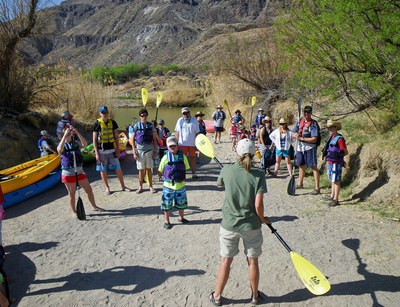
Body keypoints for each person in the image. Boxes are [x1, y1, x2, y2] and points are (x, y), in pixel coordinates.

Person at [209, 139, 270, 306]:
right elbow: (258, 205)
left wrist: (227, 175)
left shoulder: (227, 170)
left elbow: (219, 183)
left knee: (225, 261)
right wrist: (264, 219)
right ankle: (255, 297)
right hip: (251, 225)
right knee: (252, 261)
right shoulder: (259, 174)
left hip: (229, 224)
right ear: (253, 152)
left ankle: (217, 296)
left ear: (237, 152)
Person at [57, 127, 104, 215]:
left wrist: (77, 133)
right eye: (67, 134)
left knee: (89, 190)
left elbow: (85, 144)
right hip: (68, 173)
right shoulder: (62, 144)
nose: (69, 134)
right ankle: (74, 212)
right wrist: (64, 135)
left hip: (79, 171)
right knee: (72, 193)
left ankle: (94, 206)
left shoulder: (76, 143)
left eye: (70, 133)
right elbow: (59, 150)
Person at [93, 105, 131, 195]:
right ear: (100, 114)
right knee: (103, 170)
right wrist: (96, 153)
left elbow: (116, 137)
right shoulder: (97, 124)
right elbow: (94, 139)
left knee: (118, 168)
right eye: (103, 113)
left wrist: (117, 150)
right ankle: (107, 188)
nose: (105, 114)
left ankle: (123, 186)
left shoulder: (113, 123)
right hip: (101, 151)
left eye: (106, 112)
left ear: (108, 113)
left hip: (112, 150)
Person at [158, 136, 191, 229]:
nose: (172, 148)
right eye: (170, 146)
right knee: (167, 205)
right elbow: (160, 170)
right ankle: (167, 221)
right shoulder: (165, 158)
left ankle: (181, 218)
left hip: (181, 185)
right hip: (168, 186)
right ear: (167, 147)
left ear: (177, 146)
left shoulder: (183, 156)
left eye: (174, 146)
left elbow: (186, 168)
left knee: (182, 204)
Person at [293, 105, 321, 194]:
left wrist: (302, 139)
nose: (306, 114)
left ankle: (317, 187)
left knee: (313, 166)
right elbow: (292, 133)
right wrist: (296, 135)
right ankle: (300, 183)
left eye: (308, 112)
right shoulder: (299, 122)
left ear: (311, 113)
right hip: (300, 147)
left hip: (310, 147)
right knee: (301, 165)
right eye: (305, 112)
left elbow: (314, 139)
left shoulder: (313, 124)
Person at [130, 108, 158, 194]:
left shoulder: (151, 126)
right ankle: (140, 187)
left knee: (149, 169)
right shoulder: (137, 126)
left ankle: (150, 187)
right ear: (140, 116)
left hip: (149, 149)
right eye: (142, 116)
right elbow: (132, 139)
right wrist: (134, 152)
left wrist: (155, 152)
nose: (144, 117)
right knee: (141, 170)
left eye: (145, 115)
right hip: (140, 150)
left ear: (147, 116)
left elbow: (154, 139)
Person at [322, 119, 348, 206]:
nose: (330, 129)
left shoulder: (340, 139)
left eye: (331, 127)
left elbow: (345, 151)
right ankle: (332, 196)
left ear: (336, 127)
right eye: (329, 127)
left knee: (336, 180)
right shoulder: (332, 137)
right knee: (332, 180)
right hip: (330, 161)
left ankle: (336, 199)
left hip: (336, 162)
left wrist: (339, 158)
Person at [174, 107, 200, 179]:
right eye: (183, 113)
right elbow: (177, 132)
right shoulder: (180, 121)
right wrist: (176, 143)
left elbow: (197, 133)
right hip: (182, 144)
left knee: (192, 159)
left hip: (192, 144)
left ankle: (194, 174)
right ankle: (182, 174)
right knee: (182, 159)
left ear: (189, 112)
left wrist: (198, 144)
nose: (185, 114)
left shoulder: (194, 120)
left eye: (186, 113)